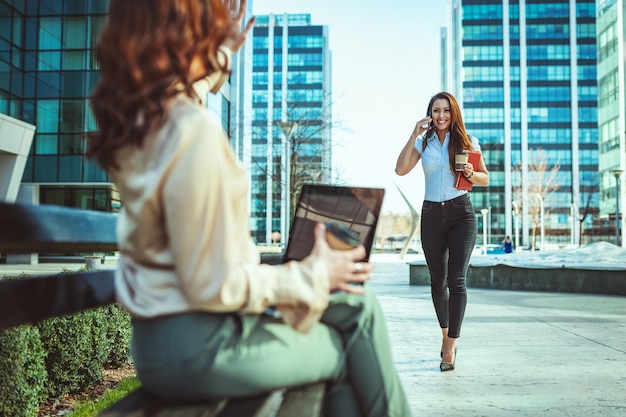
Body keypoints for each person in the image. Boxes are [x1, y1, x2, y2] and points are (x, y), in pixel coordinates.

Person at [87, 1, 411, 416]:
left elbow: (189, 89)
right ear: (190, 32)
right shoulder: (192, 132)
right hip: (202, 347)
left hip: (161, 343)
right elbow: (214, 285)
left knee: (356, 309)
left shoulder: (148, 123)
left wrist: (217, 52)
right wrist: (312, 273)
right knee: (347, 342)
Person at [395, 92, 489, 372]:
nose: (441, 116)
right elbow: (400, 169)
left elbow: (485, 178)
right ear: (430, 114)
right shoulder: (424, 142)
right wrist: (413, 133)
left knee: (457, 280)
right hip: (432, 214)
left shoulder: (467, 141)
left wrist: (471, 172)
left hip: (461, 212)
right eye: (436, 111)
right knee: (438, 281)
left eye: (446, 110)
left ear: (453, 113)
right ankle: (445, 332)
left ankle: (450, 345)